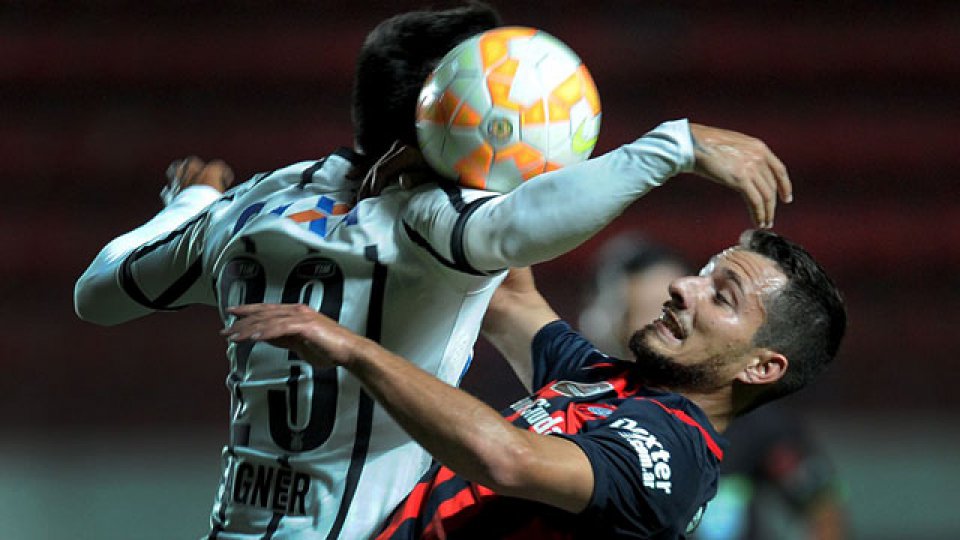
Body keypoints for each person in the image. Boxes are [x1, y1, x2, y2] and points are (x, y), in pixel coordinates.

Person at [74, 3, 793, 538]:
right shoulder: (430, 223)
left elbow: (97, 295)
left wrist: (187, 205)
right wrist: (673, 146)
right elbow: (520, 228)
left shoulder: (247, 207)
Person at [220, 228, 846, 539]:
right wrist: (486, 162)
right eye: (701, 275)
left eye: (721, 294)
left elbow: (509, 458)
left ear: (760, 367)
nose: (682, 288)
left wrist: (352, 348)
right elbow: (511, 298)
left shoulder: (676, 452)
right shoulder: (610, 382)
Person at [579, 235, 848, 539]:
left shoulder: (753, 422)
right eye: (640, 310)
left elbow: (821, 504)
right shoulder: (582, 404)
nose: (674, 302)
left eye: (718, 296)